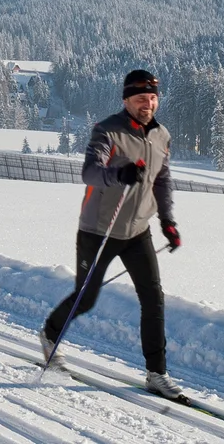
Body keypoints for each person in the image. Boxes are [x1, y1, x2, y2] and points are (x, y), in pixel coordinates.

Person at [41, 69, 186, 400]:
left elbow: (161, 180)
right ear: (126, 100)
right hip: (98, 231)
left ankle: (156, 373)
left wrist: (167, 222)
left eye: (152, 98)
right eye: (140, 99)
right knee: (86, 297)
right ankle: (50, 334)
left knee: (153, 297)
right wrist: (119, 172)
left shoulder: (161, 135)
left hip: (138, 232)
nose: (147, 104)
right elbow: (89, 172)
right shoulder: (108, 131)